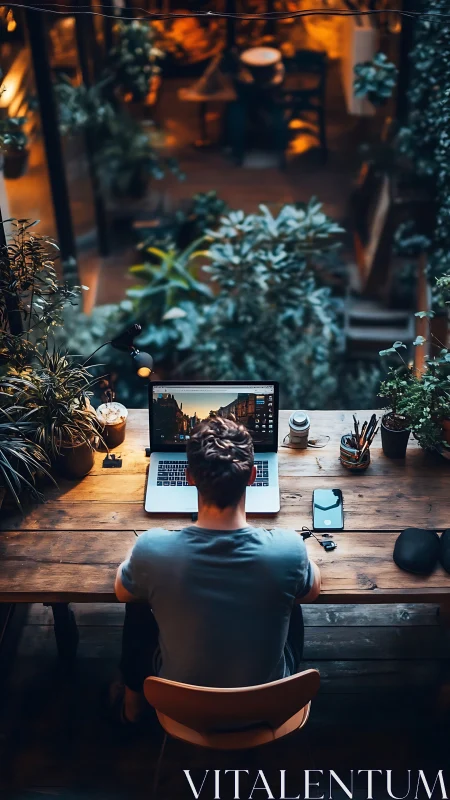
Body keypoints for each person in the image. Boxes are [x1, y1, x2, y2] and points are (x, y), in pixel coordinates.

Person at [112, 415, 321, 725]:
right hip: (269, 706)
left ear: (189, 477)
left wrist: (144, 555)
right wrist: (292, 560)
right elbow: (313, 590)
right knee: (290, 591)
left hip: (182, 708)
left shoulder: (152, 549)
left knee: (138, 598)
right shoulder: (289, 549)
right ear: (252, 476)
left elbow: (121, 590)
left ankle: (132, 704)